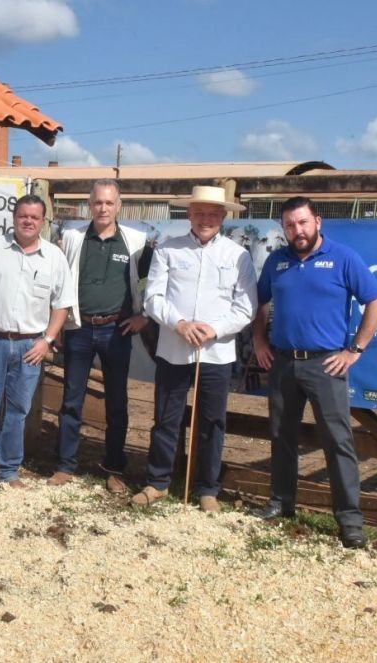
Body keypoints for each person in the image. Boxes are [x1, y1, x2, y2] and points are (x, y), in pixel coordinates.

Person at [251, 196, 377, 548]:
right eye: (290, 225)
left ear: (318, 222)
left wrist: (355, 350)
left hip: (326, 363)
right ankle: (282, 503)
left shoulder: (343, 258)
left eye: (303, 223)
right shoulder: (277, 262)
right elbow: (261, 301)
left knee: (337, 441)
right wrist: (259, 340)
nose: (297, 230)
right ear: (283, 228)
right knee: (282, 436)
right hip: (282, 362)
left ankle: (350, 520)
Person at [132, 185, 256, 512]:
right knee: (166, 418)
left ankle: (207, 489)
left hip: (216, 354)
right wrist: (180, 323)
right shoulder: (168, 250)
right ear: (189, 214)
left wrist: (214, 329)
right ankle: (158, 482)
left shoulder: (237, 256)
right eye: (199, 212)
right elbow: (153, 298)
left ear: (223, 217)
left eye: (212, 213)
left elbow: (245, 308)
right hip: (174, 349)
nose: (205, 219)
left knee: (212, 422)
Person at [0, 194, 73, 495]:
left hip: (30, 348)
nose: (28, 221)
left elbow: (62, 305)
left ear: (43, 222)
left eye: (34, 217)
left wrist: (47, 341)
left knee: (19, 410)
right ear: (13, 218)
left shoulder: (54, 257)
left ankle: (9, 469)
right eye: (23, 215)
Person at [49, 179, 150, 493]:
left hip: (117, 330)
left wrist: (143, 316)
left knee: (117, 402)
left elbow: (152, 284)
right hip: (80, 328)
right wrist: (60, 325)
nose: (103, 208)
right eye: (98, 203)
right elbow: (61, 283)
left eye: (109, 203)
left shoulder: (137, 241)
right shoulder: (73, 237)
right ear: (89, 205)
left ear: (119, 206)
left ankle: (115, 467)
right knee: (71, 399)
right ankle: (65, 465)